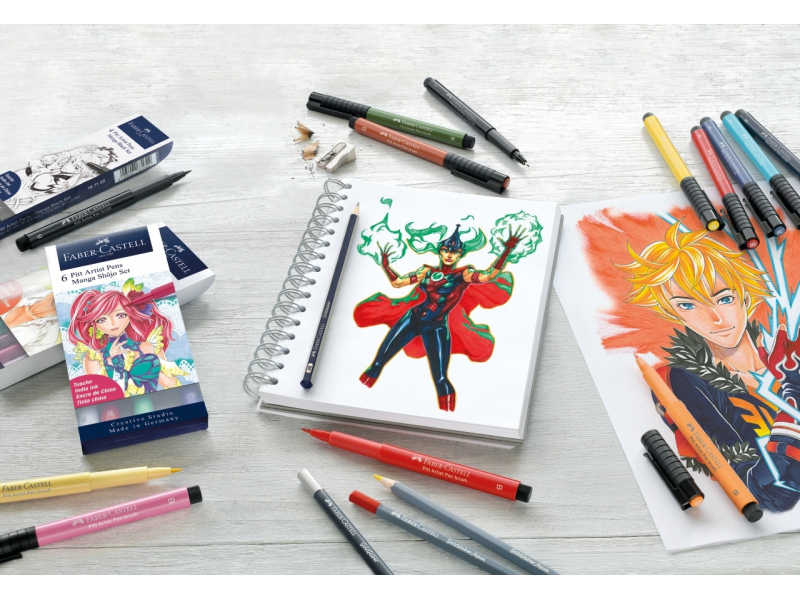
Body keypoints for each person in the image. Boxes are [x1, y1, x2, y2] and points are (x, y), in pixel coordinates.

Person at [618, 221, 800, 511]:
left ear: (745, 297)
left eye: (724, 298)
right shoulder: (684, 381)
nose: (715, 318)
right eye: (687, 305)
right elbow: (768, 491)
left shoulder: (788, 354)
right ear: (672, 312)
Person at [355, 224, 524, 412]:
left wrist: (506, 251)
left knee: (441, 379)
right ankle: (357, 400)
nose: (450, 255)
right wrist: (386, 266)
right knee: (377, 363)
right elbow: (398, 283)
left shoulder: (462, 274)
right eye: (446, 250)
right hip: (413, 319)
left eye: (455, 252)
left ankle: (448, 416)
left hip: (436, 327)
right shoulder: (427, 271)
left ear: (460, 255)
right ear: (440, 251)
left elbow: (487, 276)